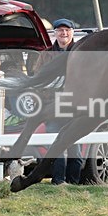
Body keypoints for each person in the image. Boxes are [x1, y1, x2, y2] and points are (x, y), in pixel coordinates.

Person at [37, 18, 84, 185]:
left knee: (75, 149)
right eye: (60, 30)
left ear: (72, 32)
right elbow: (38, 79)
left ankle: (73, 183)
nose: (64, 33)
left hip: (75, 107)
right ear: (55, 33)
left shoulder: (81, 53)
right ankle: (58, 182)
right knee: (55, 147)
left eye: (67, 30)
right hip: (53, 107)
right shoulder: (45, 55)